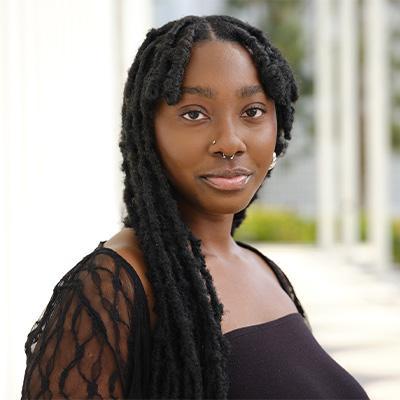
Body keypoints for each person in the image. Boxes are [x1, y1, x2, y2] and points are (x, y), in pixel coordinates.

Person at [20, 15, 370, 400]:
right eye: (194, 114)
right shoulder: (111, 287)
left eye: (252, 111)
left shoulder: (263, 270)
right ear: (147, 132)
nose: (230, 142)